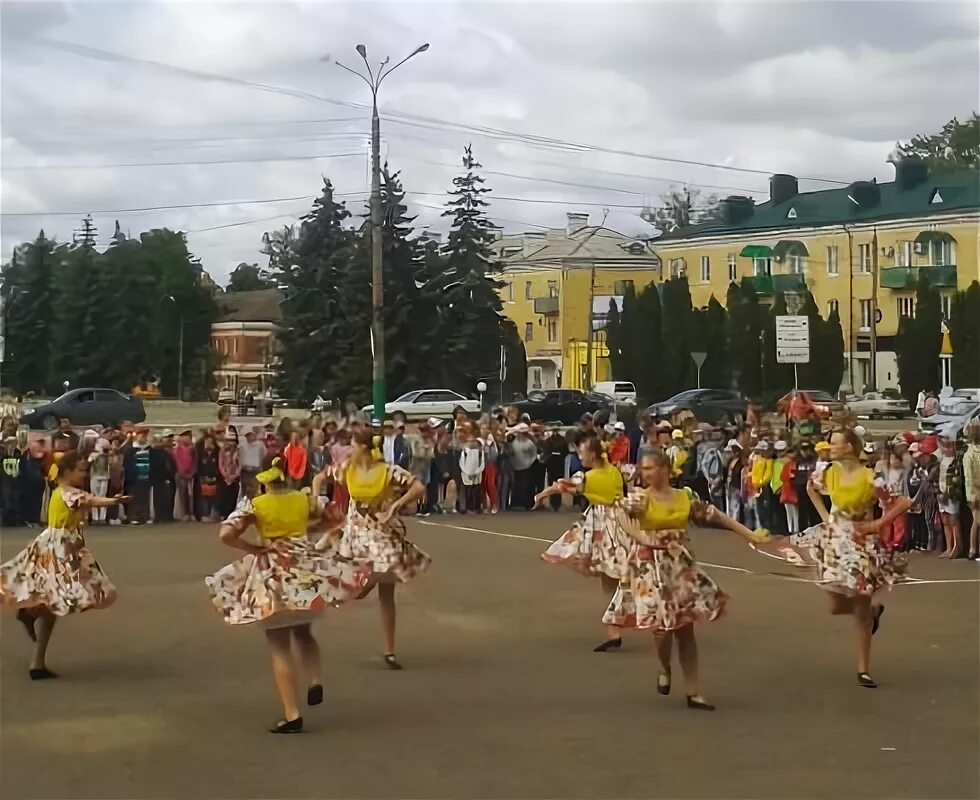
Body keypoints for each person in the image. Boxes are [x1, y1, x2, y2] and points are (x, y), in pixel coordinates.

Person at [206, 457, 370, 733]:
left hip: (272, 574)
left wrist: (251, 547)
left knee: (279, 646)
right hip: (304, 569)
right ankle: (315, 679)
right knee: (304, 632)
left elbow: (225, 534)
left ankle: (292, 714)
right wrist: (312, 531)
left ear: (265, 485)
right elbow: (338, 518)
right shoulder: (303, 499)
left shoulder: (255, 505)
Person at [605, 449, 768, 709]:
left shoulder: (685, 496)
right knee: (661, 628)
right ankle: (664, 666)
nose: (643, 473)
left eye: (649, 468)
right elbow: (620, 515)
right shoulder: (640, 498)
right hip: (650, 567)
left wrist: (749, 535)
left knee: (685, 628)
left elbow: (714, 514)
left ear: (664, 469)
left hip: (680, 566)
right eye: (642, 468)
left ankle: (693, 691)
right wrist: (640, 537)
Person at [0, 450, 129, 679]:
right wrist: (113, 501)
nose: (84, 474)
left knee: (52, 606)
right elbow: (88, 500)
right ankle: (30, 617)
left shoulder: (60, 490)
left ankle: (36, 659)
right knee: (72, 596)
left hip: (56, 548)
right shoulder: (68, 493)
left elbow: (85, 500)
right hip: (61, 553)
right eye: (81, 470)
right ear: (68, 471)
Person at [806, 428, 913, 688]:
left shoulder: (870, 476)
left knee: (860, 606)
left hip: (861, 545)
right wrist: (825, 518)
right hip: (834, 543)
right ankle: (872, 612)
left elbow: (901, 503)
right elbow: (811, 488)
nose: (830, 448)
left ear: (851, 448)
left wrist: (878, 523)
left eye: (836, 444)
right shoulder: (828, 471)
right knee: (835, 606)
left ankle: (863, 669)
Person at [335, 430, 429, 668]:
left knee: (386, 594)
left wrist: (396, 505)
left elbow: (418, 487)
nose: (350, 450)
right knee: (365, 588)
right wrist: (317, 496)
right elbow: (321, 478)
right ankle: (345, 588)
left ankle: (390, 651)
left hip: (382, 536)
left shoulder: (388, 471)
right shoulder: (348, 468)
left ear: (364, 448)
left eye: (353, 445)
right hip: (358, 537)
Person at [539, 434, 633, 651]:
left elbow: (562, 486)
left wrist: (541, 494)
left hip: (602, 525)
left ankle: (616, 625)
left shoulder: (589, 476)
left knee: (613, 575)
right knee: (610, 576)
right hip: (619, 522)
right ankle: (613, 629)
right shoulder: (615, 471)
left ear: (592, 453)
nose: (580, 456)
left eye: (582, 452)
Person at [936, 428, 964, 558]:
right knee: (945, 521)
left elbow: (957, 480)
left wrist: (948, 493)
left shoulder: (956, 460)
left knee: (954, 521)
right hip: (941, 494)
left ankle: (957, 547)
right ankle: (948, 547)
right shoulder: (941, 459)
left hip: (951, 495)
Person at [123, 427, 153, 524]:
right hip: (134, 478)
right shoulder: (130, 450)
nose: (144, 437)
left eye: (145, 436)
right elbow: (127, 465)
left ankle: (144, 516)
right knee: (134, 497)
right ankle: (133, 517)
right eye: (142, 435)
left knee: (144, 497)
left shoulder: (148, 449)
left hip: (145, 476)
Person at [962, 421, 980, 561]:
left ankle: (973, 549)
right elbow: (970, 477)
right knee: (978, 519)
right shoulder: (969, 454)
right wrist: (976, 492)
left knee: (976, 521)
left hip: (975, 490)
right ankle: (972, 549)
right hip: (974, 492)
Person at [173, 429, 197, 522]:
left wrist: (192, 473)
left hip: (191, 475)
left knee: (192, 495)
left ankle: (192, 513)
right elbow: (177, 463)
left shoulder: (193, 449)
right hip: (181, 475)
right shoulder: (177, 450)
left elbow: (195, 462)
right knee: (183, 495)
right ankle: (185, 513)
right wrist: (183, 474)